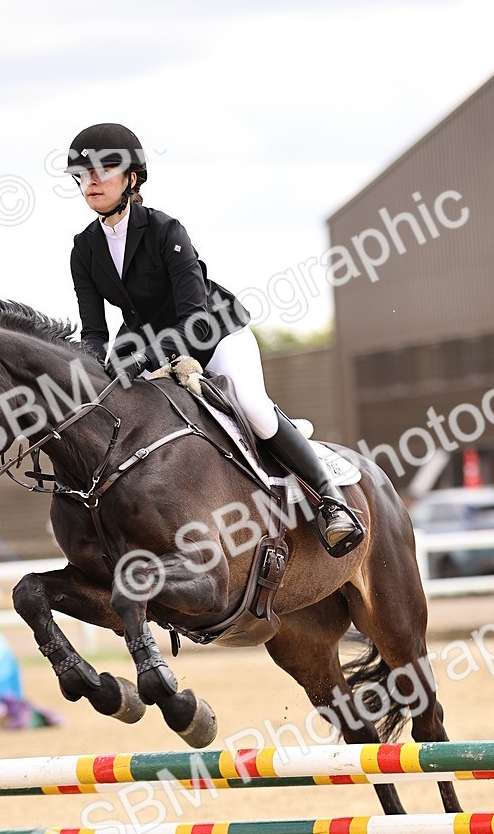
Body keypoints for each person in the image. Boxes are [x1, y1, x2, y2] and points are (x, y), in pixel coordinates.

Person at [66, 122, 363, 557]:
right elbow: (94, 331)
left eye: (103, 170)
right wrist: (93, 372)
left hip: (214, 332)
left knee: (252, 406)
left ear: (131, 178)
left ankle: (331, 502)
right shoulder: (84, 248)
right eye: (82, 174)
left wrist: (145, 358)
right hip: (145, 341)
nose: (90, 181)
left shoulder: (166, 231)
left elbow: (195, 319)